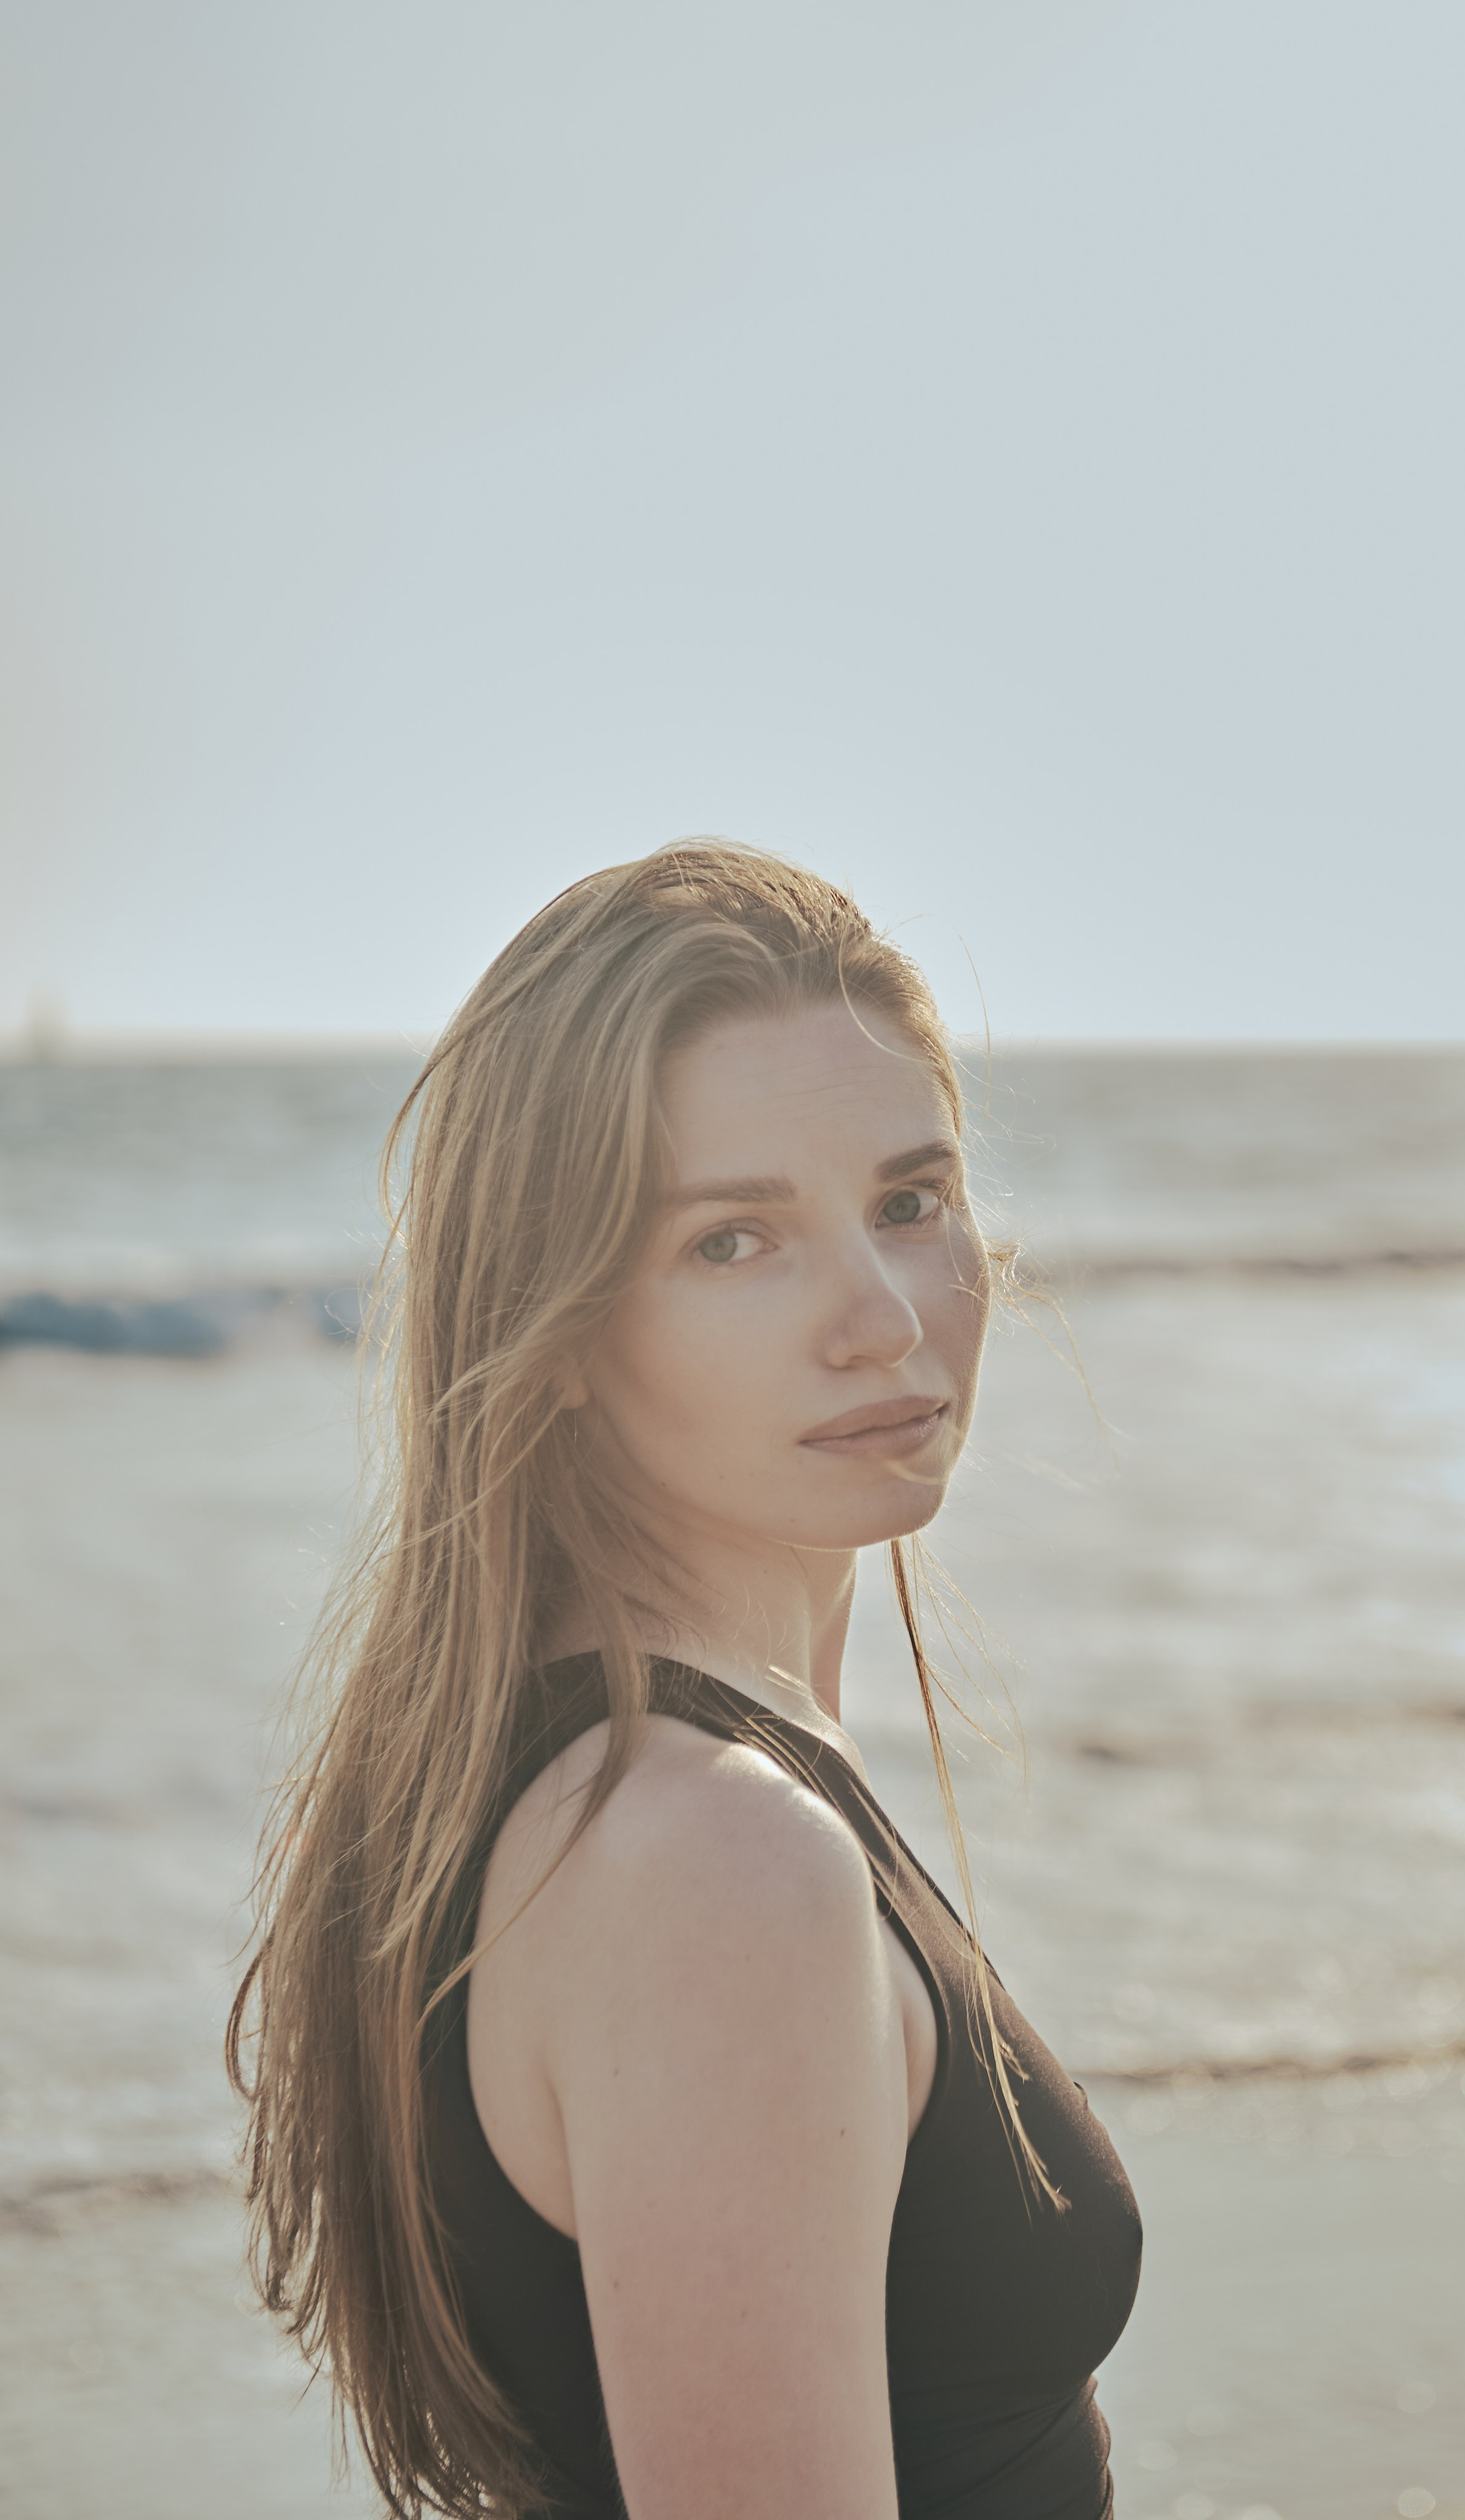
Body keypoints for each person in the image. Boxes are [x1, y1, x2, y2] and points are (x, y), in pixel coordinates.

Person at [231, 842, 1142, 2519]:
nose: (881, 1316)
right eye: (734, 1241)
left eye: (907, 1200)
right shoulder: (708, 1860)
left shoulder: (640, 1781)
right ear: (558, 1325)